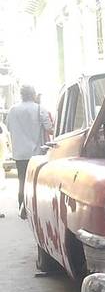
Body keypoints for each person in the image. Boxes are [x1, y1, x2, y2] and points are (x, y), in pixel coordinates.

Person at [7, 85, 53, 219]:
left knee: (22, 180)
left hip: (19, 153)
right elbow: (50, 128)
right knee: (36, 182)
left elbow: (9, 127)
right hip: (37, 154)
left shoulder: (12, 110)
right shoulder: (39, 109)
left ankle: (22, 208)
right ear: (33, 95)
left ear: (21, 95)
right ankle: (35, 208)